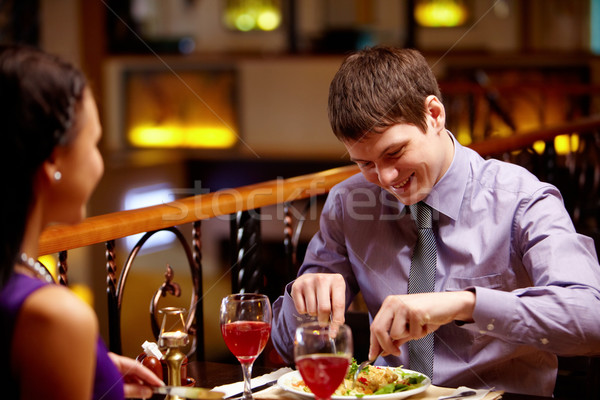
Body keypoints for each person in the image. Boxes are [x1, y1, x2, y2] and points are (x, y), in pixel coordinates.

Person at [271, 46, 600, 396]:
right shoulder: (348, 202)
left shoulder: (521, 198)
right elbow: (284, 343)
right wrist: (304, 302)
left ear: (434, 114)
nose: (385, 177)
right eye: (365, 163)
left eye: (394, 153)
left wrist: (465, 304)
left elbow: (591, 319)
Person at [0, 45, 164, 400]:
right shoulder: (55, 317)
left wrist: (94, 372)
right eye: (94, 144)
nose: (100, 165)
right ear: (53, 162)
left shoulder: (18, 281)